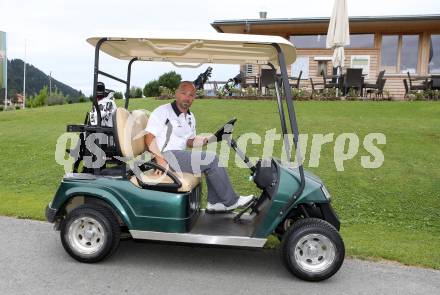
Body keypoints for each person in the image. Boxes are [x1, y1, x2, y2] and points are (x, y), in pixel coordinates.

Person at [144, 81, 253, 212]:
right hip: (166, 155)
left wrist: (210, 139)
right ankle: (231, 201)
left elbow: (190, 141)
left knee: (209, 161)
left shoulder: (190, 117)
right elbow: (149, 137)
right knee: (211, 159)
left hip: (178, 155)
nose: (187, 98)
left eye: (191, 95)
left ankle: (215, 203)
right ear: (176, 94)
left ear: (194, 98)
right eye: (184, 93)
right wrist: (160, 160)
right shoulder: (163, 111)